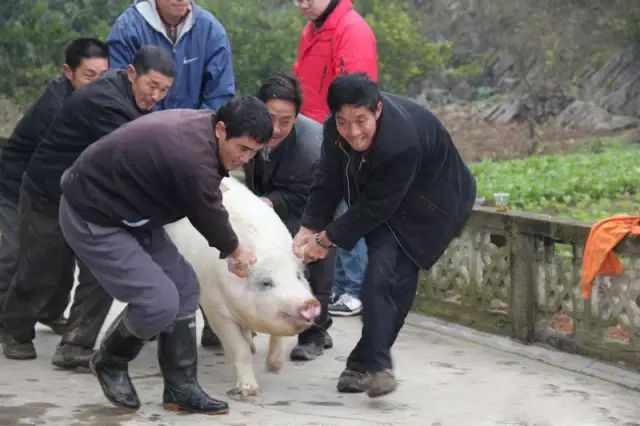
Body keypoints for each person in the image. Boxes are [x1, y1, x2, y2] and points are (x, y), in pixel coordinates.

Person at [58, 96, 272, 414]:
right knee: (158, 301)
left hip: (134, 212)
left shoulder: (205, 132)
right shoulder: (192, 159)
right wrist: (237, 252)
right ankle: (110, 360)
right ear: (221, 129)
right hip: (93, 214)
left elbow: (204, 193)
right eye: (241, 148)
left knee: (185, 288)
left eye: (253, 152)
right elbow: (208, 214)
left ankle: (180, 388)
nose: (244, 158)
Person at [293, 74, 477, 398]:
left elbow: (375, 208)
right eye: (343, 121)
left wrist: (325, 239)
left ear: (376, 110)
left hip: (433, 201)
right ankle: (365, 363)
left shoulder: (400, 141)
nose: (353, 132)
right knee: (383, 276)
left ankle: (375, 366)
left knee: (386, 273)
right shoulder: (333, 131)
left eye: (361, 120)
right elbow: (328, 177)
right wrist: (309, 226)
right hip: (387, 196)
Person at [0, 46, 175, 365]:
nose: (156, 96)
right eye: (152, 86)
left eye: (164, 90)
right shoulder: (105, 101)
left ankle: (76, 345)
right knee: (41, 269)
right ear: (132, 74)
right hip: (48, 194)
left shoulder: (132, 98)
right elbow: (138, 154)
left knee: (103, 269)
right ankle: (15, 330)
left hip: (90, 199)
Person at [0, 38, 109, 333]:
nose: (97, 83)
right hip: (15, 187)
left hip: (56, 187)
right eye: (89, 76)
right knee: (16, 255)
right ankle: (8, 325)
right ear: (67, 72)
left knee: (62, 251)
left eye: (103, 76)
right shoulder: (56, 108)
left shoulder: (94, 99)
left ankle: (49, 312)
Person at [292, 0, 378, 316]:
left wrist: (346, 135)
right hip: (315, 133)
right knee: (328, 210)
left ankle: (354, 289)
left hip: (341, 134)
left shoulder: (351, 29)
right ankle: (339, 287)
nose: (302, 3)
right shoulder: (311, 31)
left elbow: (357, 95)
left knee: (349, 209)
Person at [241, 72, 334, 361]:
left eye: (286, 121)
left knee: (312, 262)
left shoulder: (312, 148)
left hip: (315, 206)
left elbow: (310, 195)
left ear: (297, 115)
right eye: (271, 119)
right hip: (269, 205)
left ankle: (315, 333)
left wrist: (270, 201)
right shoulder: (248, 127)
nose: (277, 129)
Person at [107, 0, 235, 111]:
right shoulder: (126, 29)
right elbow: (117, 93)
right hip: (139, 133)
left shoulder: (212, 32)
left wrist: (195, 132)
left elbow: (219, 97)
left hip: (196, 134)